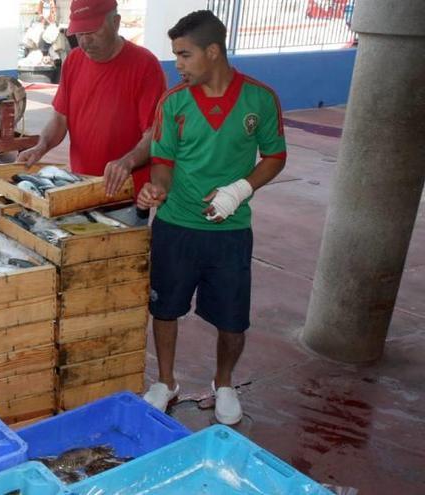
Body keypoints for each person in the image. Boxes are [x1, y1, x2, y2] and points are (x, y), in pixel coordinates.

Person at [138, 10, 287, 425]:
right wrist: (158, 187)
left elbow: (275, 156)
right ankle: (166, 382)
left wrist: (240, 190)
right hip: (175, 227)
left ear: (213, 51)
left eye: (184, 55)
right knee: (164, 309)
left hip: (231, 232)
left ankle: (224, 384)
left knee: (232, 318)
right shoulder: (174, 102)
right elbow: (163, 160)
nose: (177, 65)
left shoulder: (260, 99)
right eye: (175, 56)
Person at [18, 0, 165, 226]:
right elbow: (60, 118)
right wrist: (41, 146)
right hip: (80, 192)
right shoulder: (73, 62)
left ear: (115, 23)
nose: (85, 41)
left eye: (93, 31)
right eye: (79, 33)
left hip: (123, 200)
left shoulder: (145, 65)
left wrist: (127, 161)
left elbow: (154, 132)